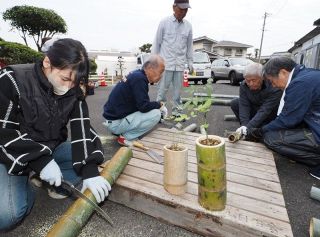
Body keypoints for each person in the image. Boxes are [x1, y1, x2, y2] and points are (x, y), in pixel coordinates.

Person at [0, 38, 111, 231]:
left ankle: (45, 178)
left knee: (91, 167)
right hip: (12, 154)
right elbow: (3, 132)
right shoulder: (12, 79)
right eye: (65, 79)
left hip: (51, 148)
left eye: (74, 82)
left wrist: (91, 172)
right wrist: (40, 162)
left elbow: (82, 128)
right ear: (47, 63)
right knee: (8, 215)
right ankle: (29, 182)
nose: (69, 87)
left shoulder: (73, 90)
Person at [247, 57, 320, 179]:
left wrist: (260, 131)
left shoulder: (299, 84)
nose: (273, 85)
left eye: (272, 81)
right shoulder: (308, 75)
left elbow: (288, 120)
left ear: (283, 72)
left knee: (271, 138)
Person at [103, 55, 167, 146]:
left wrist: (156, 105)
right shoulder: (140, 79)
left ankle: (122, 131)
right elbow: (144, 107)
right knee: (156, 114)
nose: (161, 76)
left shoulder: (136, 75)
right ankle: (127, 137)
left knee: (151, 110)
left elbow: (141, 104)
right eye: (160, 72)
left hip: (112, 120)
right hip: (115, 123)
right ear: (149, 68)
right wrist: (159, 105)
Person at [152, 0, 193, 117]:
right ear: (174, 7)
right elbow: (157, 43)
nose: (184, 12)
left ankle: (177, 113)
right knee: (162, 92)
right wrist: (154, 64)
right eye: (181, 9)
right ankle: (159, 114)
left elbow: (189, 46)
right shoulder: (164, 22)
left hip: (180, 65)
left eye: (186, 10)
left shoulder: (188, 26)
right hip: (165, 64)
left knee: (177, 93)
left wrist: (190, 62)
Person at [231, 62, 282, 138]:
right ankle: (245, 129)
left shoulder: (274, 86)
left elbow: (265, 110)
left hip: (270, 113)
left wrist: (249, 126)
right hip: (255, 108)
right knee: (235, 103)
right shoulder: (243, 85)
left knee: (264, 130)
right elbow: (244, 105)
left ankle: (255, 129)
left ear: (262, 78)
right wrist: (244, 125)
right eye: (248, 80)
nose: (250, 83)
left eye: (254, 80)